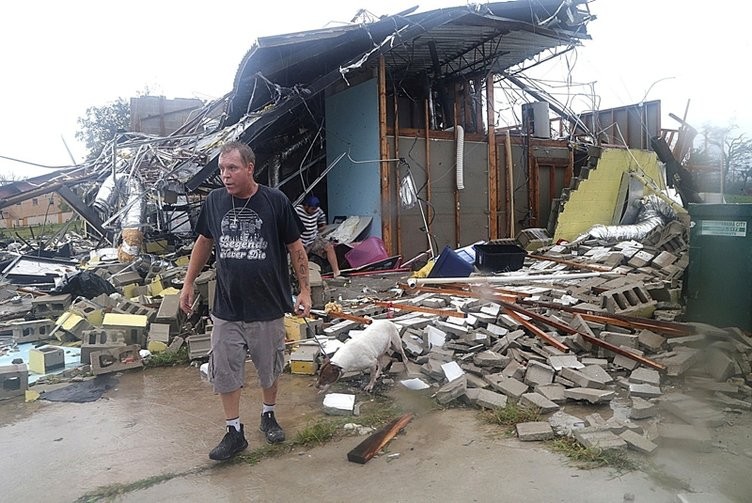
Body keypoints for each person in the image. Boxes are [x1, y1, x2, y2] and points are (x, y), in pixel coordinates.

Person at [179, 141, 312, 461]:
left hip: (267, 305)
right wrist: (188, 283)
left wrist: (305, 290)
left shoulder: (275, 201)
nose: (225, 175)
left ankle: (268, 414)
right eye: (222, 169)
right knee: (224, 369)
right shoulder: (213, 202)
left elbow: (296, 249)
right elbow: (203, 243)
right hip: (227, 306)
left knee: (269, 368)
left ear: (250, 168)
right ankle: (234, 431)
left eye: (232, 168)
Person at [295, 194, 341, 277]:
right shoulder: (297, 210)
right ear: (306, 206)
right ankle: (301, 277)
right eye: (312, 209)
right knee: (301, 259)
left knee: (329, 247)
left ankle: (336, 272)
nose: (314, 211)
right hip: (302, 240)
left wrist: (321, 226)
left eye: (315, 209)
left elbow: (322, 218)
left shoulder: (317, 210)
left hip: (313, 238)